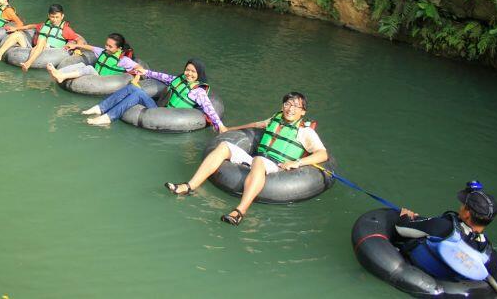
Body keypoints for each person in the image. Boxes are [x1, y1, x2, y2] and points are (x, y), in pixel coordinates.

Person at [163, 92, 326, 226]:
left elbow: (322, 154)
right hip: (258, 160)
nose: (290, 109)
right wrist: (229, 130)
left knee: (259, 161)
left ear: (303, 112)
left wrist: (297, 163)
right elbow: (255, 125)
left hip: (278, 167)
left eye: (296, 106)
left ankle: (240, 211)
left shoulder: (306, 132)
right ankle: (189, 186)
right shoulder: (275, 120)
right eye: (287, 104)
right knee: (224, 146)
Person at [395, 181, 497, 293]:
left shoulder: (442, 226)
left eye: (464, 205)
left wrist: (405, 216)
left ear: (467, 214)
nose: (461, 206)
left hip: (414, 266)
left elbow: (401, 228)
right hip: (450, 284)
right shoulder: (488, 254)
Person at [82, 59, 225, 129]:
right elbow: (162, 76)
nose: (189, 74)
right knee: (133, 88)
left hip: (168, 115)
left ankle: (108, 118)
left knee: (136, 94)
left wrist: (220, 126)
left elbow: (208, 107)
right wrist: (146, 72)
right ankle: (100, 108)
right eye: (187, 70)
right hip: (158, 107)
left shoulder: (199, 91)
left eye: (193, 72)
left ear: (199, 74)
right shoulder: (179, 79)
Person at [0, 4, 84, 71]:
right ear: (49, 16)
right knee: (17, 35)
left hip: (51, 53)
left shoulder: (66, 30)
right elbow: (31, 26)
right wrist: (16, 28)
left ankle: (27, 63)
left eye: (57, 17)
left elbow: (77, 39)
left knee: (42, 41)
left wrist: (75, 46)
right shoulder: (45, 25)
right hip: (35, 49)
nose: (54, 19)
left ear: (62, 16)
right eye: (52, 17)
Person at [47, 33, 136, 83]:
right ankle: (58, 72)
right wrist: (75, 45)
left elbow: (138, 68)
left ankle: (62, 76)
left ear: (118, 48)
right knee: (81, 64)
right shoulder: (103, 52)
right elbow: (91, 48)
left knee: (89, 68)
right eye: (106, 45)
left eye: (110, 46)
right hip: (96, 76)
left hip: (105, 81)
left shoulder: (124, 60)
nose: (107, 48)